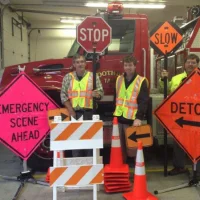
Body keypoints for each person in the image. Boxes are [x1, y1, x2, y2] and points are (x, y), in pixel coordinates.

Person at [159, 53, 200, 176]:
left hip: (196, 117)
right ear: (184, 64)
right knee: (178, 143)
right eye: (189, 62)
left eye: (193, 62)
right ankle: (179, 167)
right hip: (180, 117)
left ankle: (198, 171)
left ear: (197, 64)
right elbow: (164, 91)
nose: (191, 64)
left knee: (197, 144)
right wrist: (163, 80)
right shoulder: (176, 78)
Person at [60, 53, 104, 157]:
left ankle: (89, 167)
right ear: (74, 64)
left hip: (89, 114)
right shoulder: (68, 77)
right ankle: (78, 168)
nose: (80, 64)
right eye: (78, 62)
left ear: (85, 63)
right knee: (76, 144)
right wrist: (71, 111)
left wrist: (96, 94)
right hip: (75, 114)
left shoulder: (93, 76)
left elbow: (101, 93)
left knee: (90, 143)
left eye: (82, 62)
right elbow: (63, 95)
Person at [113, 55, 149, 165]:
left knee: (133, 148)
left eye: (130, 65)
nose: (128, 68)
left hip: (132, 120)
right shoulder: (119, 79)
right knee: (120, 147)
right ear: (123, 66)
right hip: (119, 117)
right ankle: (123, 167)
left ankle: (136, 169)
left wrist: (139, 118)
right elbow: (116, 98)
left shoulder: (141, 80)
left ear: (135, 66)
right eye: (126, 65)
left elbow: (143, 101)